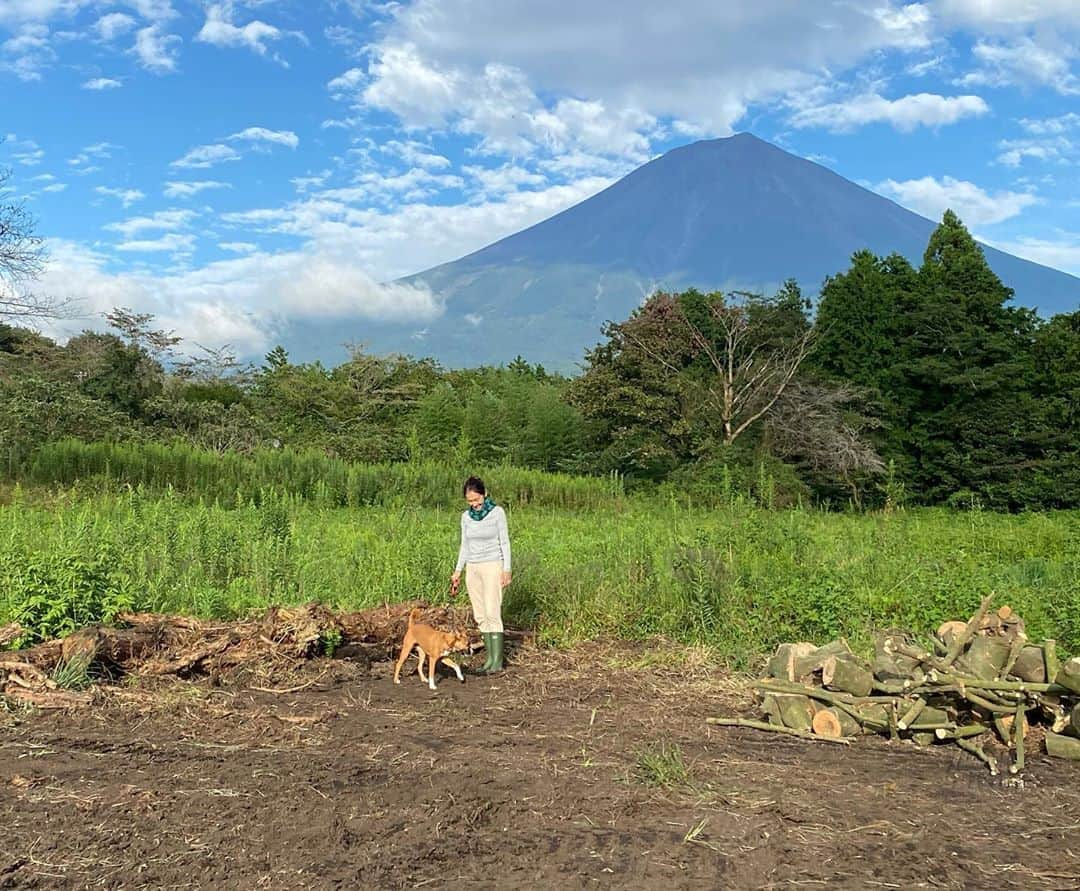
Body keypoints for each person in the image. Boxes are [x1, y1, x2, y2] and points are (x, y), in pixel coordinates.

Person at [450, 476, 511, 674]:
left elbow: (505, 542)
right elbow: (465, 545)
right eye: (470, 501)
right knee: (480, 614)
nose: (474, 504)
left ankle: (497, 661)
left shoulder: (497, 513)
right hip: (473, 567)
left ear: (484, 495)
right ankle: (488, 661)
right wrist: (458, 570)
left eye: (477, 499)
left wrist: (506, 569)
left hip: (492, 565)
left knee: (493, 611)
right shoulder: (466, 517)